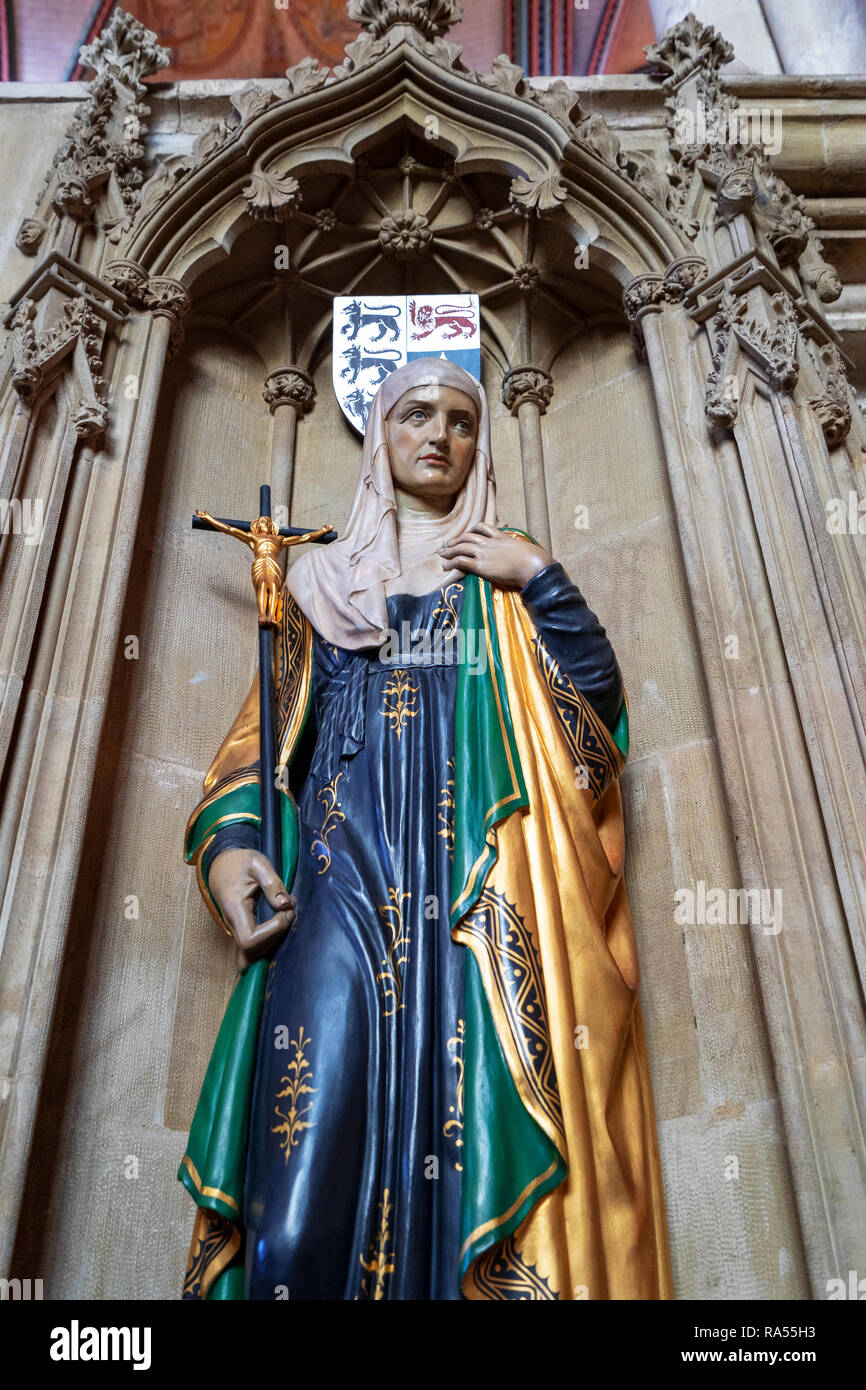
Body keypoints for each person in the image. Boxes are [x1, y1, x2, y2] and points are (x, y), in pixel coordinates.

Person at [181, 356, 673, 1301]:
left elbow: (592, 718)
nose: (439, 435)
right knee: (298, 1167)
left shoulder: (503, 577)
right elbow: (261, 746)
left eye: (460, 419)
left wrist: (537, 577)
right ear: (381, 437)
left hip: (474, 899)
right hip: (336, 887)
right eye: (415, 415)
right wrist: (235, 848)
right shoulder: (317, 583)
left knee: (467, 1135)